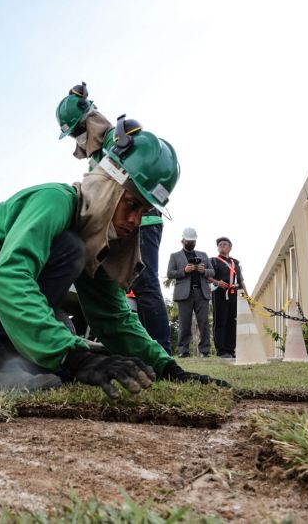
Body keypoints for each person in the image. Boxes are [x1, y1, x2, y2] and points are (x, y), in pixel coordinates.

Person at [0, 116, 228, 394]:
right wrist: (77, 359)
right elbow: (7, 281)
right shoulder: (55, 201)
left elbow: (113, 317)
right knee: (68, 258)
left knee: (63, 335)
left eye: (144, 211)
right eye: (131, 204)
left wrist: (169, 368)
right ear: (109, 185)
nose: (135, 221)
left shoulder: (94, 239)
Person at [56, 84, 172, 354]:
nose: (76, 139)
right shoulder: (96, 156)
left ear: (87, 121)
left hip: (143, 221)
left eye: (76, 131)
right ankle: (128, 346)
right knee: (115, 283)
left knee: (145, 284)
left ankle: (162, 348)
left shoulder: (117, 142)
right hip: (119, 222)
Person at [166, 228, 214, 357]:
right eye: (189, 241)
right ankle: (183, 351)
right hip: (184, 294)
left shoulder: (203, 254)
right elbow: (170, 273)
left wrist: (204, 271)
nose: (191, 243)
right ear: (182, 241)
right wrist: (184, 271)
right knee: (184, 323)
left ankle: (205, 351)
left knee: (204, 322)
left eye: (193, 241)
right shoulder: (175, 256)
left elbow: (212, 271)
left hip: (201, 293)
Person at [210, 237, 247, 358]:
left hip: (234, 293)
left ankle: (230, 350)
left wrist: (246, 297)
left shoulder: (235, 263)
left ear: (230, 247)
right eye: (220, 244)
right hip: (220, 293)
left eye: (224, 244)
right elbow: (207, 276)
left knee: (233, 321)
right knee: (220, 321)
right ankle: (221, 350)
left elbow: (240, 281)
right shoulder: (213, 261)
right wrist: (217, 282)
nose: (222, 246)